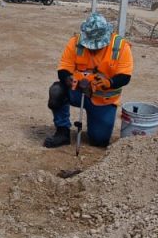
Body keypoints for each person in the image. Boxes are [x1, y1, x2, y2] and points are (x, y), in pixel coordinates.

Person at [44, 12, 134, 149]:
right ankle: (62, 132)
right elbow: (63, 69)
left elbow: (125, 76)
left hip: (103, 100)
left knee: (99, 141)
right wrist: (68, 79)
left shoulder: (121, 47)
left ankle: (97, 127)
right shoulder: (75, 42)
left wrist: (109, 83)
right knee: (56, 91)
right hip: (78, 92)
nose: (94, 49)